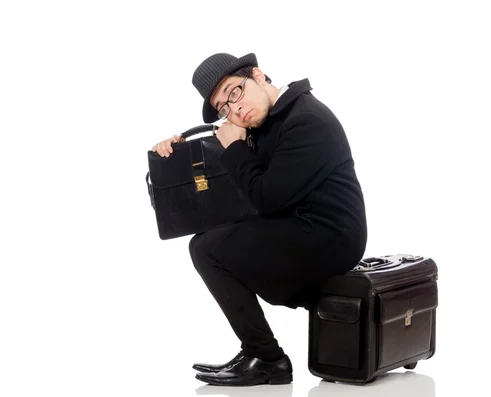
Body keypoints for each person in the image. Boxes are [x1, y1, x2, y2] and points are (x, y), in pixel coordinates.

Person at [151, 53, 368, 386]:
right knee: (214, 240)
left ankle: (266, 358)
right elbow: (240, 183)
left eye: (234, 92)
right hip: (301, 227)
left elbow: (266, 198)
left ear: (258, 74)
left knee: (207, 248)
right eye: (223, 107)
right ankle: (263, 354)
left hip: (331, 235)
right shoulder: (266, 121)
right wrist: (178, 153)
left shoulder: (305, 119)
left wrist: (235, 147)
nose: (233, 109)